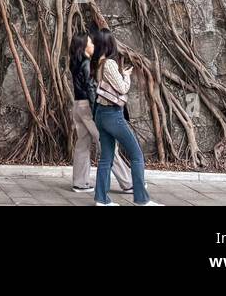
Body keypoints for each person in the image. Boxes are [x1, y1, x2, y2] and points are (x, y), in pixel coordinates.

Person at [90, 29, 162, 206]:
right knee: (137, 155)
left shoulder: (97, 64)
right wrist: (127, 76)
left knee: (106, 158)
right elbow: (122, 88)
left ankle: (102, 200)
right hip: (113, 116)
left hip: (101, 113)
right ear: (109, 44)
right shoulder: (109, 64)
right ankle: (141, 200)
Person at [68, 31, 132, 193]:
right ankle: (128, 183)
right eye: (90, 43)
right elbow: (91, 90)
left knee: (82, 143)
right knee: (107, 143)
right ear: (83, 47)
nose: (93, 45)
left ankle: (80, 183)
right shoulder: (86, 64)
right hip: (89, 108)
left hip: (77, 105)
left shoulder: (75, 62)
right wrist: (97, 111)